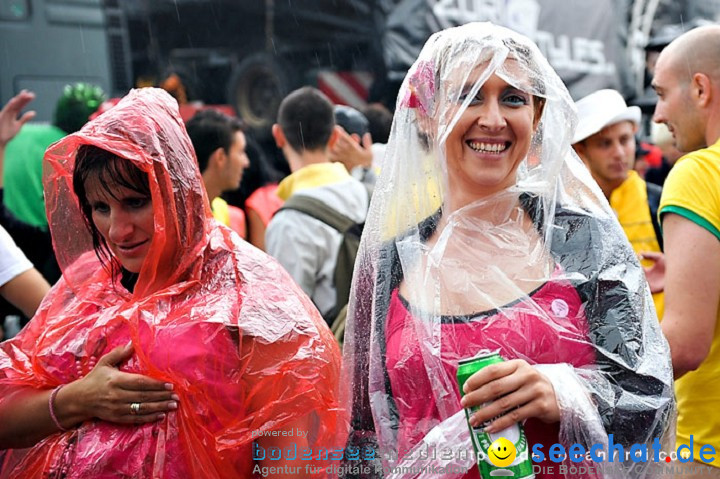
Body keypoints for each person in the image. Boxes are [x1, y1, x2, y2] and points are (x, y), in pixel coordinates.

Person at [343, 22, 674, 479]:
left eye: (513, 98)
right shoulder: (388, 266)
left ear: (537, 116)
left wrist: (564, 392)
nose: (493, 118)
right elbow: (362, 436)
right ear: (427, 113)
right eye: (471, 95)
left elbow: (650, 400)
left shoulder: (583, 241)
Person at [0, 88, 345, 478]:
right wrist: (76, 401)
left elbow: (291, 459)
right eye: (100, 208)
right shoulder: (86, 287)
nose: (118, 230)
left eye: (134, 202)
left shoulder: (254, 299)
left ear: (176, 189)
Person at [652, 24, 720, 476]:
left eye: (661, 93)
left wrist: (569, 386)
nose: (657, 115)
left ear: (700, 88)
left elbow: (685, 346)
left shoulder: (697, 172)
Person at [267, 87, 370, 323]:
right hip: (376, 346)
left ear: (278, 135)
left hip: (332, 352)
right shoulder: (368, 195)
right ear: (334, 136)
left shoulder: (289, 222)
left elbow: (289, 319)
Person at [571, 89, 665, 318]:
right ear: (581, 150)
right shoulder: (569, 213)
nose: (619, 153)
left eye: (624, 140)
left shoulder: (661, 201)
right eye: (605, 144)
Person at [185, 109, 250, 238]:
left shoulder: (221, 210)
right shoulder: (176, 216)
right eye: (241, 152)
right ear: (220, 157)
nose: (246, 162)